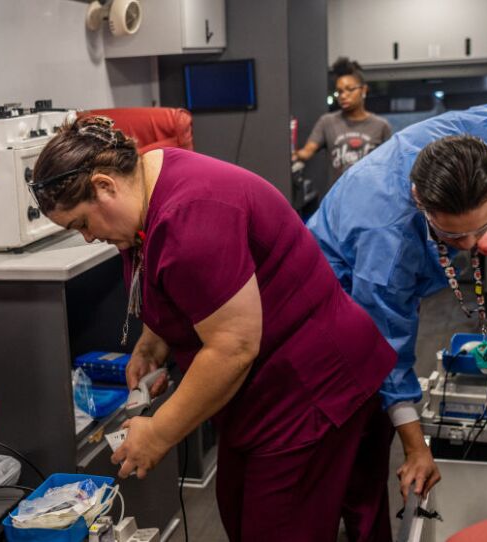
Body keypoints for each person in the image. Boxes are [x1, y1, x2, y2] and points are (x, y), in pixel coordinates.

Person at [29, 115, 398, 541]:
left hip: (314, 385)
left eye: (81, 224)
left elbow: (234, 347)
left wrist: (160, 431)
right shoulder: (149, 178)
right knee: (241, 511)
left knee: (277, 527)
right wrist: (154, 340)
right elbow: (181, 284)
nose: (88, 238)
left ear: (104, 186)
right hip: (271, 388)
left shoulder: (190, 216)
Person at [307, 103, 487, 514]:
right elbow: (386, 348)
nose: (473, 246)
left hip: (386, 263)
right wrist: (415, 448)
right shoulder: (387, 243)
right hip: (331, 289)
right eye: (454, 237)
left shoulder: (472, 136)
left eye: (482, 229)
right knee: (361, 423)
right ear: (421, 202)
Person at [293, 57, 392, 183]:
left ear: (364, 90)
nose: (343, 96)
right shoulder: (327, 122)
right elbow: (307, 152)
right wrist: (292, 153)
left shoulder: (381, 126)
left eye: (350, 89)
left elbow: (388, 165)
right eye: (340, 91)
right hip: (338, 198)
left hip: (370, 196)